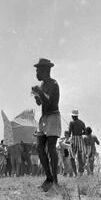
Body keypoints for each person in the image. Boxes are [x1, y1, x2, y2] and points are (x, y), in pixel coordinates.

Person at [32, 58, 61, 191]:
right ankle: (49, 178)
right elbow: (41, 103)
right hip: (44, 118)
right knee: (39, 147)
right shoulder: (43, 85)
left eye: (38, 70)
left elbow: (49, 103)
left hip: (53, 117)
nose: (36, 73)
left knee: (51, 148)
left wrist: (40, 92)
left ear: (45, 70)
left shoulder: (54, 84)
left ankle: (54, 179)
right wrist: (37, 95)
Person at [67, 109, 86, 176]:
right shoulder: (82, 122)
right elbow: (85, 132)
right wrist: (80, 133)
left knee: (72, 157)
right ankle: (81, 172)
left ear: (73, 115)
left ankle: (75, 173)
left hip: (74, 139)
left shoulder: (71, 122)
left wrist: (68, 137)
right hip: (80, 139)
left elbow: (69, 133)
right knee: (80, 157)